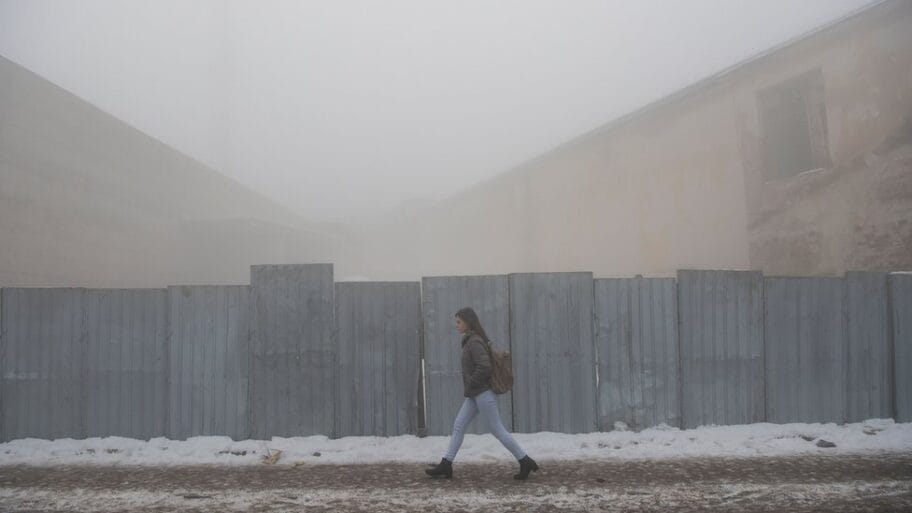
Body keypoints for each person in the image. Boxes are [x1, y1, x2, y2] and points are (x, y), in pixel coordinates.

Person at [425, 307, 539, 480]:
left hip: (483, 394)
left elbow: (484, 367)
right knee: (458, 426)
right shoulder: (471, 340)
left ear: (468, 322)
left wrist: (471, 382)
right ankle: (446, 464)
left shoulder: (475, 342)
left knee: (497, 429)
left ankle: (525, 461)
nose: (456, 325)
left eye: (458, 322)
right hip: (475, 394)